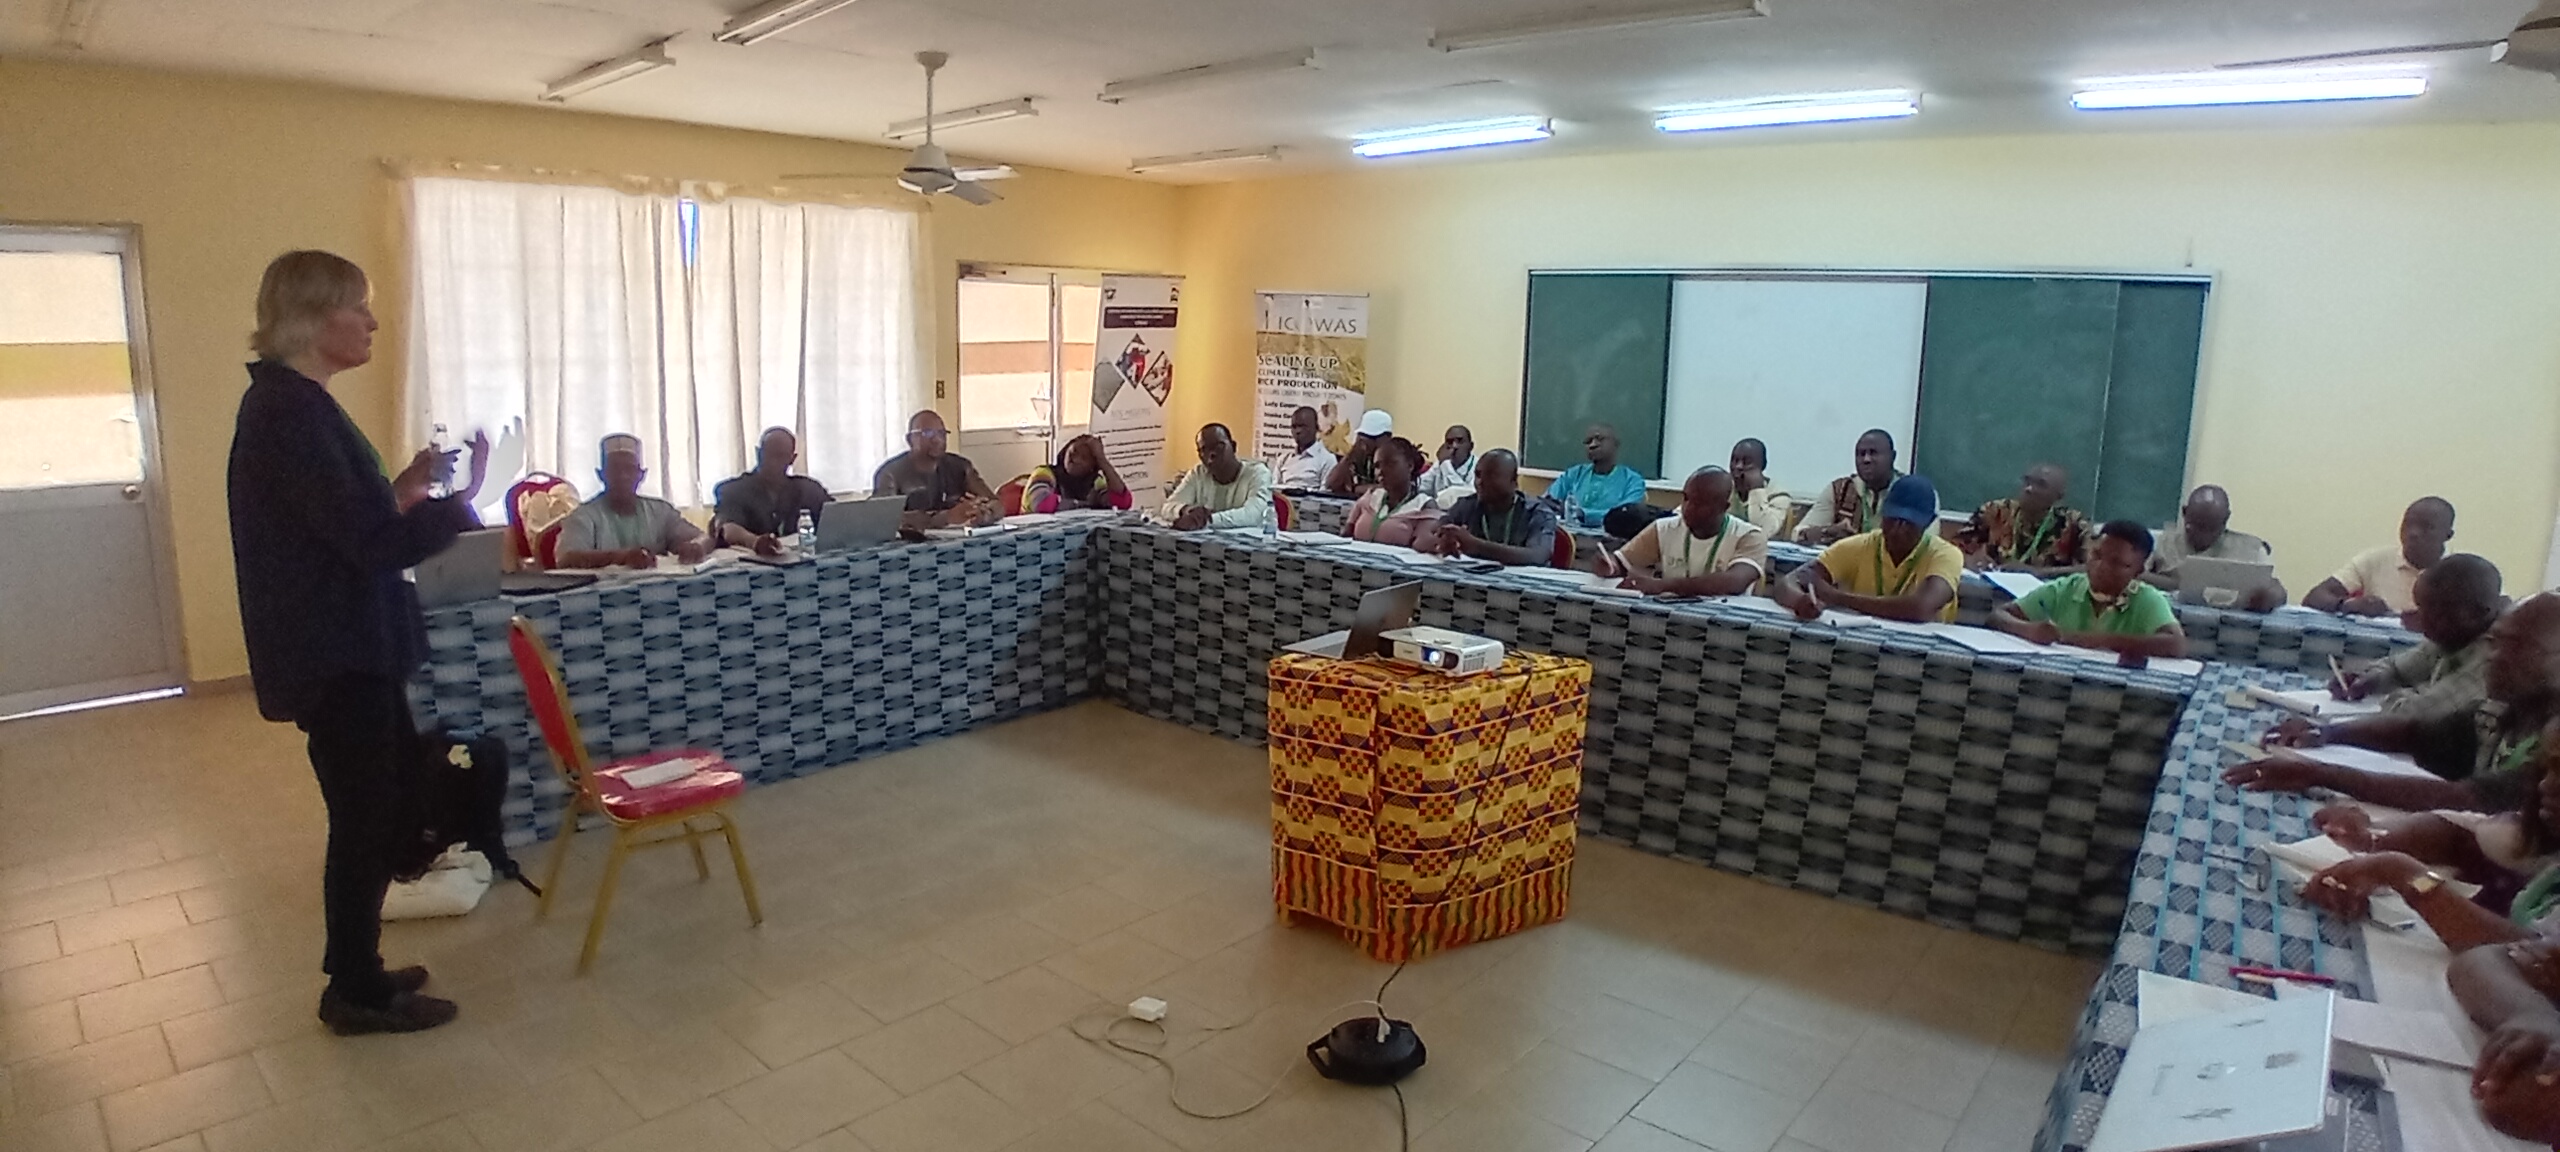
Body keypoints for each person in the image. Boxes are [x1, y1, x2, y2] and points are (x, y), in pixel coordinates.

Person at [228, 250, 482, 1035]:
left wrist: (404, 487)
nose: (372, 322)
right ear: (313, 317)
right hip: (335, 652)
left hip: (348, 643)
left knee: (384, 802)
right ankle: (354, 990)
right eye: (359, 309)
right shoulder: (289, 414)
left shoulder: (298, 404)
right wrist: (457, 508)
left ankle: (360, 969)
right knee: (366, 817)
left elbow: (341, 517)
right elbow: (368, 544)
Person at [2224, 593, 2560, 814]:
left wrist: (2320, 773)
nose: (2493, 658)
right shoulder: (2501, 710)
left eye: (2512, 646)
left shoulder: (2553, 743)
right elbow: (2414, 732)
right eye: (2493, 643)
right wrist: (2328, 733)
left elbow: (2468, 800)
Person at [2331, 554, 2503, 726]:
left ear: (2478, 613)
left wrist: (2411, 694)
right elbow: (2397, 669)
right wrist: (2367, 680)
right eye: (2421, 606)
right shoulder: (2453, 635)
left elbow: (2415, 716)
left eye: (2438, 612)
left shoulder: (2495, 656)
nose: (2422, 619)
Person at [1776, 474, 1964, 624]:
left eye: (1909, 524)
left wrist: (1836, 597)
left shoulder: (1945, 555)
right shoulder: (1860, 546)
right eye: (1892, 519)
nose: (1898, 530)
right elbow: (1787, 583)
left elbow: (1921, 608)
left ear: (1928, 523)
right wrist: (1800, 601)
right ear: (1882, 514)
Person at [1988, 520, 2185, 661]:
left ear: (2138, 571)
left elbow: (2176, 644)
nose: (2101, 567)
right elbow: (1998, 616)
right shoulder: (2065, 589)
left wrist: (2098, 641)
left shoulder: (2147, 599)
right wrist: (2029, 629)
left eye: (2117, 563)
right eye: (2096, 555)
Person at [1595, 466, 1769, 597]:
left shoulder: (1749, 536)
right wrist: (1610, 566)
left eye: (1700, 503)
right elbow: (1621, 562)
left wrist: (1662, 586)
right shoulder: (1663, 528)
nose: (1688, 508)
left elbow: (1734, 582)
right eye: (1686, 498)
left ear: (1724, 507)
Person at [553, 435, 709, 569]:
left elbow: (703, 538)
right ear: (601, 475)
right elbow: (566, 559)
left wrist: (697, 547)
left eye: (629, 469)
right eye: (615, 469)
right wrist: (621, 558)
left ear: (641, 475)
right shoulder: (584, 516)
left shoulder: (660, 511)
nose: (623, 476)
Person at [2304, 496, 2457, 616]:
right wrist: (2347, 604)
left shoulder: (2461, 573)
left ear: (2448, 535)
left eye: (2427, 527)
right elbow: (2314, 597)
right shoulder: (2374, 560)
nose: (2413, 533)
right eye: (2408, 523)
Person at [2142, 484, 2286, 610]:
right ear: (2185, 513)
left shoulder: (2250, 548)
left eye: (2213, 528)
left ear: (2226, 519)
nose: (2204, 535)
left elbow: (2278, 591)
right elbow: (2135, 576)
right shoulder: (2161, 542)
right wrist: (2179, 585)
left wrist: (2270, 598)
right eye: (2197, 526)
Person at [1427, 449, 1559, 567]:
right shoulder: (1467, 505)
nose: (1480, 482)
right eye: (1478, 475)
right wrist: (1443, 542)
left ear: (1514, 481)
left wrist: (1477, 546)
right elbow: (1429, 534)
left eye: (1491, 475)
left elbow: (1538, 556)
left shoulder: (1537, 512)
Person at [712, 427, 831, 555]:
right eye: (768, 455)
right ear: (758, 453)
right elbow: (727, 527)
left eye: (780, 456)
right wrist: (755, 542)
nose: (773, 462)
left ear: (792, 459)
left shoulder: (809, 489)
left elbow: (834, 516)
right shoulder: (733, 490)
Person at [1955, 463, 2089, 575]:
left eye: (2041, 485)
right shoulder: (1995, 511)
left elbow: (2091, 568)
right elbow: (1951, 550)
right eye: (2027, 481)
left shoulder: (2073, 522)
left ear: (2059, 496)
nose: (2029, 489)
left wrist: (2040, 572)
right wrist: (1970, 560)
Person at [873, 409, 995, 530]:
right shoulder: (890, 473)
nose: (937, 439)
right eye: (927, 433)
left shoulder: (961, 466)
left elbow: (996, 503)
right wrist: (946, 518)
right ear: (910, 440)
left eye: (942, 433)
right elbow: (882, 518)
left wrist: (985, 514)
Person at [1795, 429, 1901, 545]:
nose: (1866, 459)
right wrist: (1828, 531)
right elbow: (1797, 534)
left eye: (1873, 453)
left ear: (1893, 456)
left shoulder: (1909, 492)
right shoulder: (1840, 490)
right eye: (1861, 454)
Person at [1162, 423, 1274, 530]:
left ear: (1234, 447)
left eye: (1218, 446)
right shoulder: (1198, 473)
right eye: (1203, 450)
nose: (1211, 454)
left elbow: (1253, 515)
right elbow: (1167, 507)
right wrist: (1186, 510)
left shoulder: (1258, 473)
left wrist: (1206, 520)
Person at [1545, 424, 1650, 532]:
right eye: (1588, 441)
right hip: (1571, 538)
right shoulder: (1574, 474)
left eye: (1600, 439)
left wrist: (1584, 515)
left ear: (1616, 444)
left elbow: (1625, 517)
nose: (1593, 445)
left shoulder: (1632, 481)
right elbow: (1548, 503)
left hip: (1610, 541)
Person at [1342, 437, 1440, 548]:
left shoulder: (1424, 505)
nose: (1381, 471)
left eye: (1390, 464)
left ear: (1410, 466)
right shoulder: (1370, 497)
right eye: (1377, 466)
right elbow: (1345, 536)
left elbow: (1422, 545)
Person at [1022, 434, 1132, 513]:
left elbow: (1122, 502)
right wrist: (1088, 506)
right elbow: (1042, 504)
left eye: (1084, 458)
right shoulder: (1044, 473)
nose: (1075, 459)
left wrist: (1103, 461)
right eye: (1073, 452)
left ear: (1092, 467)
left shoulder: (1095, 481)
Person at [1728, 438, 1790, 537]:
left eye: (1746, 462)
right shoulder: (1723, 486)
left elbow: (1764, 531)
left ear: (1762, 466)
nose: (1738, 466)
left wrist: (1756, 490)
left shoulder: (1778, 495)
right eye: (1734, 461)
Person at [1324, 409, 1394, 495]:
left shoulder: (1395, 457)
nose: (1368, 441)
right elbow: (1331, 484)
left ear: (1387, 437)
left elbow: (1389, 488)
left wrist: (1355, 489)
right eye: (1363, 436)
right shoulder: (1362, 454)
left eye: (1372, 437)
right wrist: (1351, 454)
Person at [1273, 406, 1337, 490]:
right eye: (1294, 427)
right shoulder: (1283, 459)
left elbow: (1325, 496)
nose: (1298, 431)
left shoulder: (1327, 459)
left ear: (1316, 428)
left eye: (1303, 426)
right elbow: (1274, 491)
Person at [1418, 424, 1478, 506]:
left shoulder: (1479, 466)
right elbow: (1421, 485)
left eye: (1460, 441)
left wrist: (1446, 465)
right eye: (1450, 442)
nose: (1454, 446)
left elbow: (1463, 497)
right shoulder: (1440, 464)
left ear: (1471, 446)